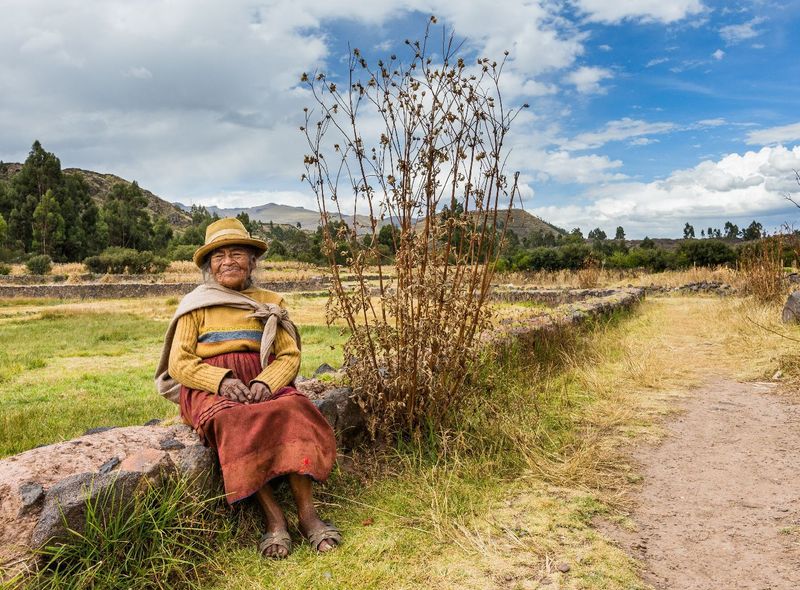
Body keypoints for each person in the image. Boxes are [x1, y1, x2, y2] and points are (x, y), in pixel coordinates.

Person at [154, 217, 340, 558]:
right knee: (232, 421)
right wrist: (221, 382)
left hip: (261, 381)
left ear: (251, 260)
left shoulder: (269, 301)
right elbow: (179, 363)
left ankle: (308, 515)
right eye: (219, 255)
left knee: (294, 408)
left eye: (237, 253)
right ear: (209, 265)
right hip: (210, 387)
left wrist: (266, 382)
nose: (228, 261)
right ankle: (274, 519)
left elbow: (289, 355)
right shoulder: (195, 305)